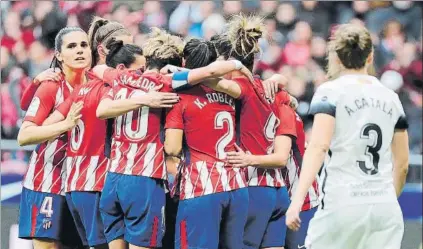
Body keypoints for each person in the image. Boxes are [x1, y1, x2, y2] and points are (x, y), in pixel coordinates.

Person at [285, 24, 409, 249]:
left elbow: (319, 147)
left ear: (337, 58)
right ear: (370, 56)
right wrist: (386, 199)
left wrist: (296, 201)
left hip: (342, 203)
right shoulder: (391, 98)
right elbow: (402, 165)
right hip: (385, 208)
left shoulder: (330, 92)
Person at [164, 38, 249, 249]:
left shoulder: (180, 97)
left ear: (184, 62)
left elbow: (172, 148)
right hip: (236, 184)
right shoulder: (229, 93)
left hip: (201, 186)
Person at [17, 26, 91, 249]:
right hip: (47, 180)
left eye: (83, 45)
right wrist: (65, 124)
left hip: (82, 183)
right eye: (71, 46)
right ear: (58, 55)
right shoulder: (51, 86)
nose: (79, 51)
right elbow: (25, 135)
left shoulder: (97, 86)